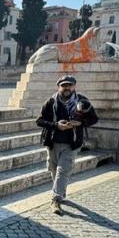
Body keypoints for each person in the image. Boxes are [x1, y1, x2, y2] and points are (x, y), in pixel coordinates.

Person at [36, 75, 98, 215]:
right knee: (53, 169)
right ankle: (60, 192)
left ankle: (56, 199)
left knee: (63, 170)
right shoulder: (51, 102)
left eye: (69, 85)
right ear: (59, 87)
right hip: (53, 142)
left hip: (72, 143)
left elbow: (94, 118)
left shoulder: (83, 101)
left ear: (74, 86)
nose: (67, 88)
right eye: (64, 85)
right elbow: (39, 121)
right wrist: (55, 125)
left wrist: (81, 123)